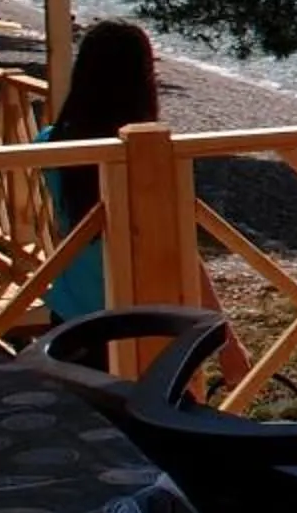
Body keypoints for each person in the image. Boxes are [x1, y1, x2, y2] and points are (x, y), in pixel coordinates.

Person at [42, 20, 246, 378]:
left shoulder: (48, 144)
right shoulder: (147, 164)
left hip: (69, 315)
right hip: (138, 324)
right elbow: (182, 253)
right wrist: (228, 344)